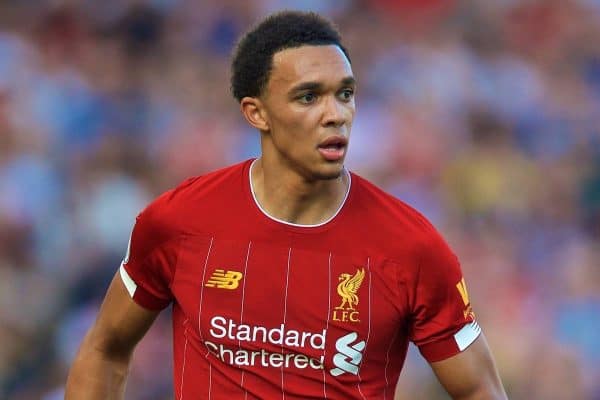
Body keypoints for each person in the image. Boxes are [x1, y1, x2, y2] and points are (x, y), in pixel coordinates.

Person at [66, 10, 507, 400]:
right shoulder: (178, 221)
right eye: (309, 96)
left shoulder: (411, 247)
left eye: (346, 93)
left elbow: (478, 390)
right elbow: (105, 350)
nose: (336, 114)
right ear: (256, 113)